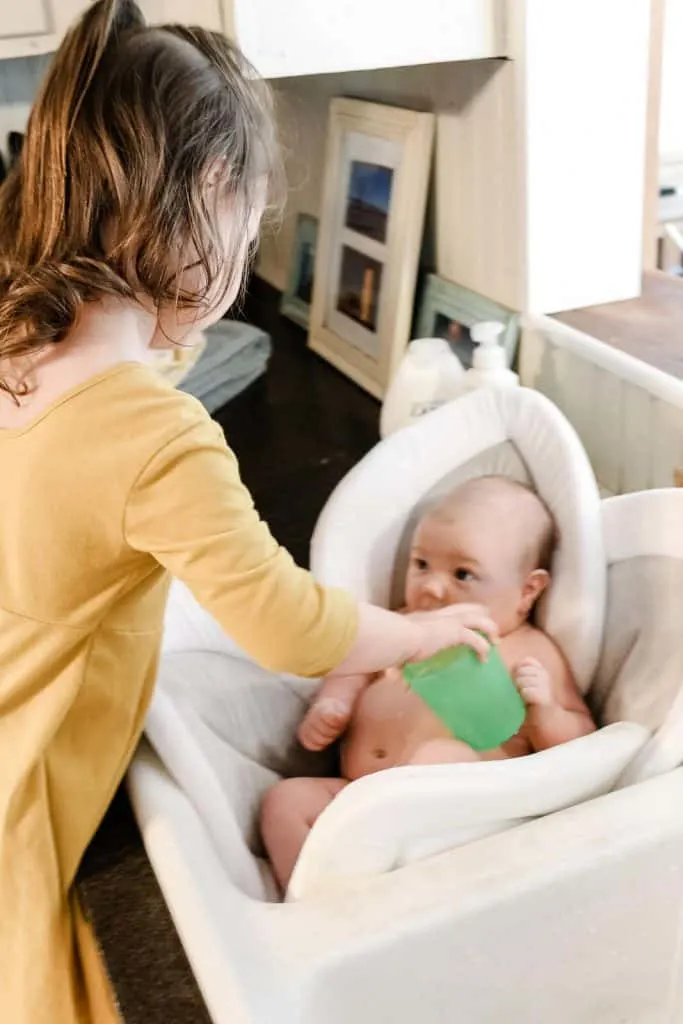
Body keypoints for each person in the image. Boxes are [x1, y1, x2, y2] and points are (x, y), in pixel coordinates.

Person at [0, 3, 497, 1021]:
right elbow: (286, 623)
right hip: (29, 779)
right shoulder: (155, 435)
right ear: (211, 196)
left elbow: (140, 377)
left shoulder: (23, 343)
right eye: (248, 216)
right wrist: (419, 629)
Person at [260, 476, 597, 892]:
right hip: (359, 799)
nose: (432, 587)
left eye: (463, 573)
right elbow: (349, 666)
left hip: (454, 820)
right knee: (285, 801)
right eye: (421, 564)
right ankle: (313, 903)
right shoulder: (400, 627)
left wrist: (545, 712)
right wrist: (334, 704)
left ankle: (401, 887)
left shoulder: (528, 651)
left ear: (527, 591)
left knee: (443, 754)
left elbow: (585, 744)